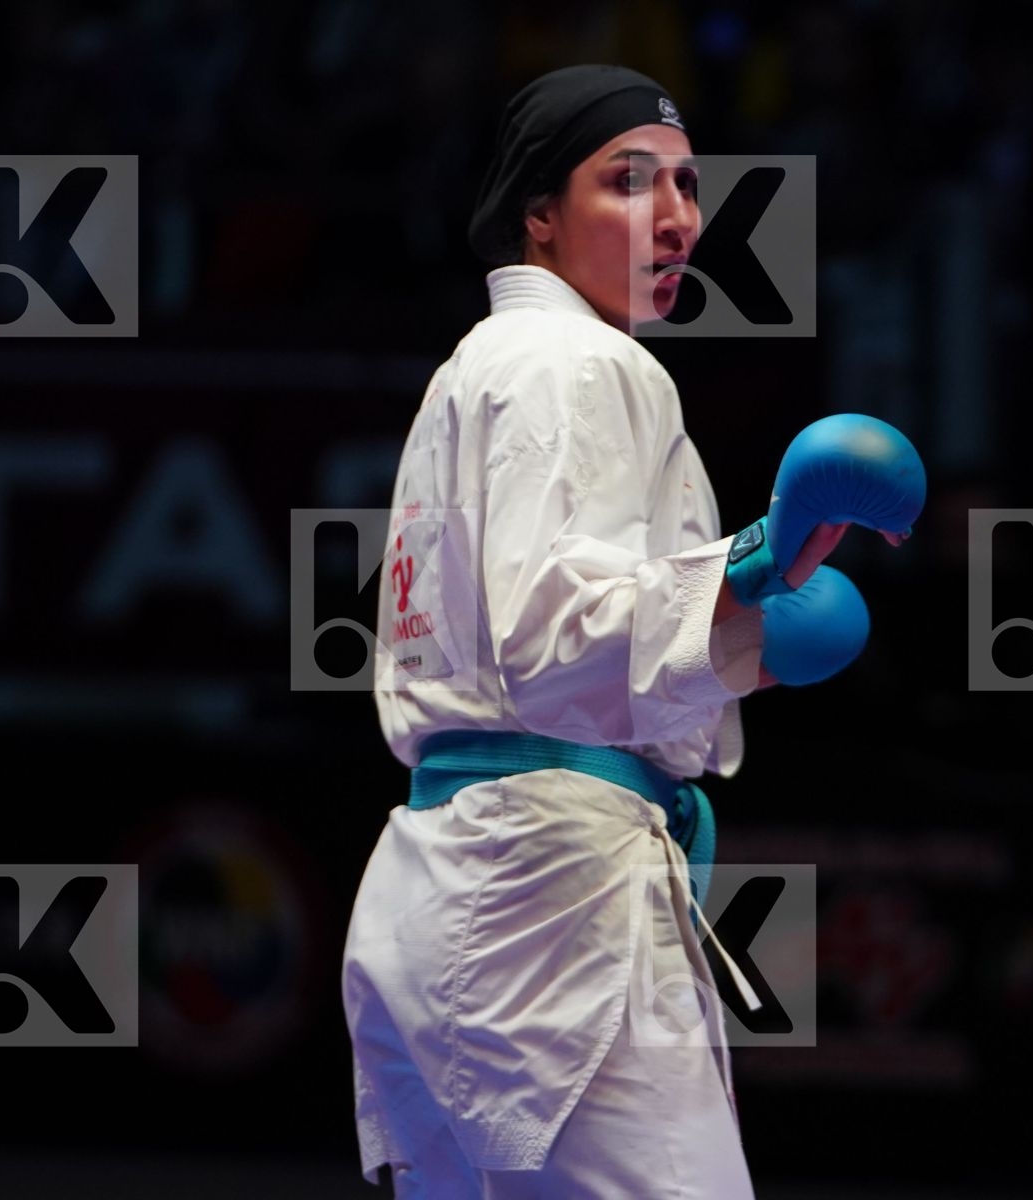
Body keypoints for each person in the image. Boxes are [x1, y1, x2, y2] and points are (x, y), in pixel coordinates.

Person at [341, 64, 911, 1197]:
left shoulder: (478, 368)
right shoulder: (580, 360)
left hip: (449, 878)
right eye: (628, 181)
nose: (677, 215)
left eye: (688, 185)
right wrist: (753, 566)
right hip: (547, 893)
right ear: (538, 218)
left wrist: (746, 630)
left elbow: (539, 640)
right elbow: (553, 637)